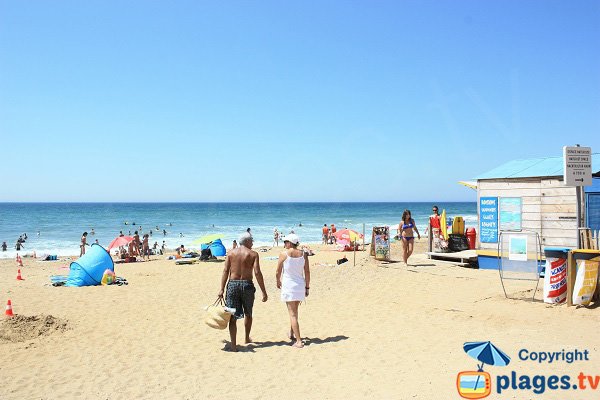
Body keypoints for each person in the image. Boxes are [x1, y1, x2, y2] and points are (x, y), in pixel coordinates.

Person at [217, 232, 268, 352]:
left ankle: (234, 346)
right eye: (252, 240)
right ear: (246, 241)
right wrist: (263, 291)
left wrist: (221, 288)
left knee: (232, 316)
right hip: (247, 285)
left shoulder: (231, 253)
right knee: (248, 313)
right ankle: (246, 338)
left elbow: (225, 271)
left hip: (233, 285)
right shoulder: (253, 254)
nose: (253, 243)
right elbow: (257, 273)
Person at [276, 234, 310, 349]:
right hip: (300, 285)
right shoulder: (303, 254)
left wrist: (277, 281)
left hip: (289, 286)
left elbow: (278, 271)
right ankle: (291, 333)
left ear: (290, 243)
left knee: (292, 314)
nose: (284, 244)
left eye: (285, 242)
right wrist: (307, 287)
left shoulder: (284, 254)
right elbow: (307, 272)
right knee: (295, 312)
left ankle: (299, 341)